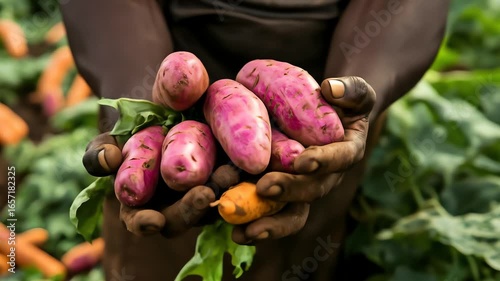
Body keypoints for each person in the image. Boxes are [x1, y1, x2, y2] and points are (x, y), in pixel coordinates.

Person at [60, 0, 449, 280]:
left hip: (331, 90)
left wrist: (355, 96)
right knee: (163, 256)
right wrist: (145, 111)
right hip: (157, 81)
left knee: (306, 249)